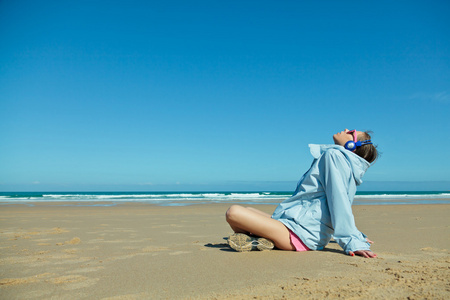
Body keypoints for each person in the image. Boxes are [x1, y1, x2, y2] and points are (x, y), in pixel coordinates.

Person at [225, 129, 378, 258]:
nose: (345, 130)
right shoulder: (338, 160)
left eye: (351, 132)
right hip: (296, 225)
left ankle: (260, 240)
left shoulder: (335, 156)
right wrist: (358, 234)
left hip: (302, 234)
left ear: (352, 145)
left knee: (233, 213)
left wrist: (352, 239)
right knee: (248, 211)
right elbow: (340, 199)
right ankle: (262, 241)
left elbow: (338, 200)